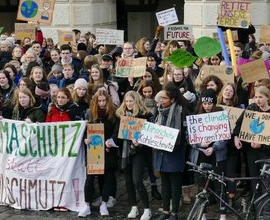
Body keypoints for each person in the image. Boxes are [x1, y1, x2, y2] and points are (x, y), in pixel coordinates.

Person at [233, 86, 270, 194]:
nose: (257, 100)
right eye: (256, 97)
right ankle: (255, 208)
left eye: (260, 97)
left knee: (266, 184)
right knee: (254, 182)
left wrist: (262, 145)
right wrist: (236, 137)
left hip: (267, 154)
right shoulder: (251, 108)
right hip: (252, 153)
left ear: (267, 98)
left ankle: (266, 210)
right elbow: (239, 124)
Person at [78, 90, 119, 217]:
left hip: (108, 151)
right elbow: (85, 131)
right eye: (99, 101)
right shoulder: (91, 114)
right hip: (94, 151)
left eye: (104, 101)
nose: (101, 103)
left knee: (107, 178)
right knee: (89, 178)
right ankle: (86, 205)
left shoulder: (113, 115)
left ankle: (104, 203)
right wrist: (85, 139)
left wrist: (111, 142)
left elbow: (116, 132)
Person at [154, 84, 191, 220]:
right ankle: (165, 211)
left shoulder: (181, 111)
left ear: (173, 100)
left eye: (164, 98)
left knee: (175, 183)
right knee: (164, 183)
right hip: (161, 151)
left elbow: (185, 133)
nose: (161, 100)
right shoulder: (158, 111)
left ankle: (174, 212)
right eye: (161, 98)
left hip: (175, 151)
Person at [116, 91, 153, 220]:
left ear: (136, 101)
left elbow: (150, 135)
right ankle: (134, 207)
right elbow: (117, 134)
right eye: (126, 101)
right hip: (125, 152)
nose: (128, 104)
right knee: (128, 181)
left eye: (131, 101)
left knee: (137, 180)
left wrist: (140, 141)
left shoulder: (145, 115)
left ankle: (147, 209)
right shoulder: (121, 115)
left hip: (139, 152)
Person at [191, 89, 227, 220]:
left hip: (217, 157)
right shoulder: (196, 115)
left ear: (214, 103)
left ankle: (223, 215)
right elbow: (189, 136)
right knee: (202, 186)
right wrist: (200, 144)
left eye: (209, 103)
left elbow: (224, 137)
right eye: (204, 103)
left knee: (221, 186)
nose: (206, 106)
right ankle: (203, 214)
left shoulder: (220, 114)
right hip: (201, 155)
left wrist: (214, 147)